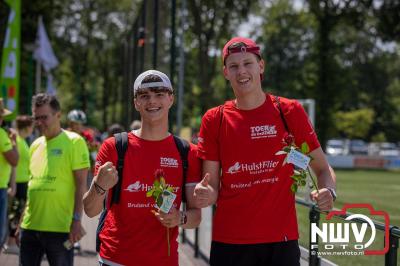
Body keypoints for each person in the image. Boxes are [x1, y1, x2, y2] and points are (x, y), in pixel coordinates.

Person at [193, 37, 337, 266]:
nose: (241, 71)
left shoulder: (289, 111)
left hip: (281, 243)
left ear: (261, 66)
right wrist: (205, 194)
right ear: (226, 73)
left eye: (247, 63)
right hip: (230, 243)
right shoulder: (215, 119)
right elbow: (211, 185)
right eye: (234, 66)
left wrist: (328, 191)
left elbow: (322, 168)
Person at [83, 70, 202, 266]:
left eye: (159, 94)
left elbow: (196, 216)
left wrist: (179, 218)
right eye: (144, 96)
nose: (152, 101)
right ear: (136, 102)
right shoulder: (114, 147)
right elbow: (90, 210)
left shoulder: (187, 152)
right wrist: (99, 186)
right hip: (114, 260)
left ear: (171, 99)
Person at [18, 93, 90, 266]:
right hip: (30, 227)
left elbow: (81, 185)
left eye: (44, 117)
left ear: (58, 115)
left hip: (60, 229)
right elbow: (32, 184)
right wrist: (21, 220)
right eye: (36, 118)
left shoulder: (75, 142)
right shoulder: (35, 144)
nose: (39, 122)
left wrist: (76, 220)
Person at [4, 115, 34, 253]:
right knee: (16, 213)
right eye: (32, 126)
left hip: (24, 182)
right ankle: (10, 244)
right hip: (19, 182)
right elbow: (14, 165)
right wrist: (13, 185)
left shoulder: (22, 140)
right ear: (27, 127)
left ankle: (12, 242)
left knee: (19, 212)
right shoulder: (17, 141)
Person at [0, 98, 18, 249]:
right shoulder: (1, 134)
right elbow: (14, 160)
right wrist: (14, 143)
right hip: (0, 187)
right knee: (0, 233)